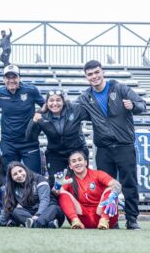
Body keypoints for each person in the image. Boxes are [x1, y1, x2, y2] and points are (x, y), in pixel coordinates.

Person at [77, 60, 146, 229]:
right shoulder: (85, 97)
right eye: (90, 74)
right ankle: (110, 220)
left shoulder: (120, 88)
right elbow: (69, 109)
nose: (94, 77)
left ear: (102, 72)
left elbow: (142, 105)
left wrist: (133, 106)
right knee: (105, 186)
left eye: (96, 72)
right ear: (86, 77)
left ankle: (132, 219)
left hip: (124, 145)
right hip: (103, 148)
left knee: (129, 183)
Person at [25, 89, 87, 186]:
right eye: (51, 100)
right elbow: (29, 137)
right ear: (46, 103)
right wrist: (33, 121)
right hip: (55, 155)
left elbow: (93, 115)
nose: (55, 103)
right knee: (55, 183)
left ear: (63, 101)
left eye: (58, 100)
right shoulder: (43, 116)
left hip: (75, 151)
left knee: (78, 182)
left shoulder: (75, 110)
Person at [0, 65, 45, 173]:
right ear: (3, 79)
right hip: (8, 142)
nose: (11, 80)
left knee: (34, 176)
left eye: (14, 77)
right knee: (10, 176)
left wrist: (39, 113)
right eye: (8, 77)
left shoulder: (31, 90)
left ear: (19, 78)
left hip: (29, 142)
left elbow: (45, 104)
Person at [57, 151, 121, 230]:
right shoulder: (68, 180)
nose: (77, 163)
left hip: (102, 214)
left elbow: (116, 184)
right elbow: (57, 193)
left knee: (112, 190)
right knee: (62, 193)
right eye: (74, 161)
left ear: (86, 162)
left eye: (80, 160)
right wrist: (57, 186)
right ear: (70, 166)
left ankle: (104, 220)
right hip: (82, 218)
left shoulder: (98, 174)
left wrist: (114, 193)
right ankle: (75, 220)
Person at [0, 162, 64, 228]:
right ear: (11, 178)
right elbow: (7, 207)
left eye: (20, 171)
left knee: (54, 208)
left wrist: (37, 215)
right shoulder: (12, 188)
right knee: (15, 211)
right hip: (31, 215)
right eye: (15, 174)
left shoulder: (39, 179)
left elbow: (44, 200)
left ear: (25, 169)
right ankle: (48, 225)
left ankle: (35, 224)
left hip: (48, 211)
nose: (19, 175)